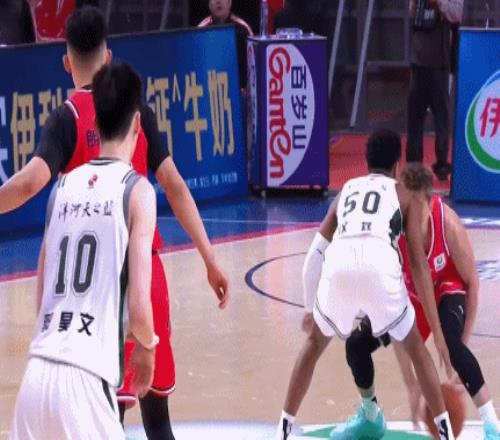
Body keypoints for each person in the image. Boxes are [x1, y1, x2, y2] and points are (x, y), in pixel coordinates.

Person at [0, 7, 229, 440]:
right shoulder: (136, 113)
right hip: (145, 276)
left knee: (105, 413)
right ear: (108, 58)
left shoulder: (67, 118)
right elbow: (176, 187)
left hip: (88, 297)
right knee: (157, 419)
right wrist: (209, 257)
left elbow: (28, 183)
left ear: (66, 62)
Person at [275, 129, 454, 440]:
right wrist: (437, 331)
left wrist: (308, 308)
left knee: (314, 344)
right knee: (414, 346)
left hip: (339, 266)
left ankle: (282, 428)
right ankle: (446, 432)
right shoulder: (405, 194)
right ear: (397, 165)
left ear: (366, 161)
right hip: (379, 266)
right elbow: (418, 264)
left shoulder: (345, 190)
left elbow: (315, 254)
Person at [10, 61, 157, 439]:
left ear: (94, 123)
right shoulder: (137, 191)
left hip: (36, 374)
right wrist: (148, 346)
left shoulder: (61, 187)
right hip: (86, 383)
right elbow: (140, 310)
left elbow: (42, 294)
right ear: (137, 124)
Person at [347, 163, 500, 439]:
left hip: (447, 285)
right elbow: (392, 311)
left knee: (451, 343)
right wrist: (411, 383)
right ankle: (370, 416)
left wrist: (461, 349)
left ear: (429, 204)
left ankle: (492, 424)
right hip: (414, 293)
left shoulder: (448, 224)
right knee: (357, 343)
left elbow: (473, 284)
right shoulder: (393, 233)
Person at [406, 0, 463, 181]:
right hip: (418, 60)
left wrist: (438, 2)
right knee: (415, 116)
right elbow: (411, 12)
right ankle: (414, 164)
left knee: (441, 116)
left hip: (440, 63)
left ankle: (442, 164)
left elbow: (457, 14)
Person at [198, 0, 253, 89]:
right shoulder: (200, 31)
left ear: (229, 3)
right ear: (209, 4)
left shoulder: (243, 29)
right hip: (210, 89)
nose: (218, 1)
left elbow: (252, 68)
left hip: (239, 90)